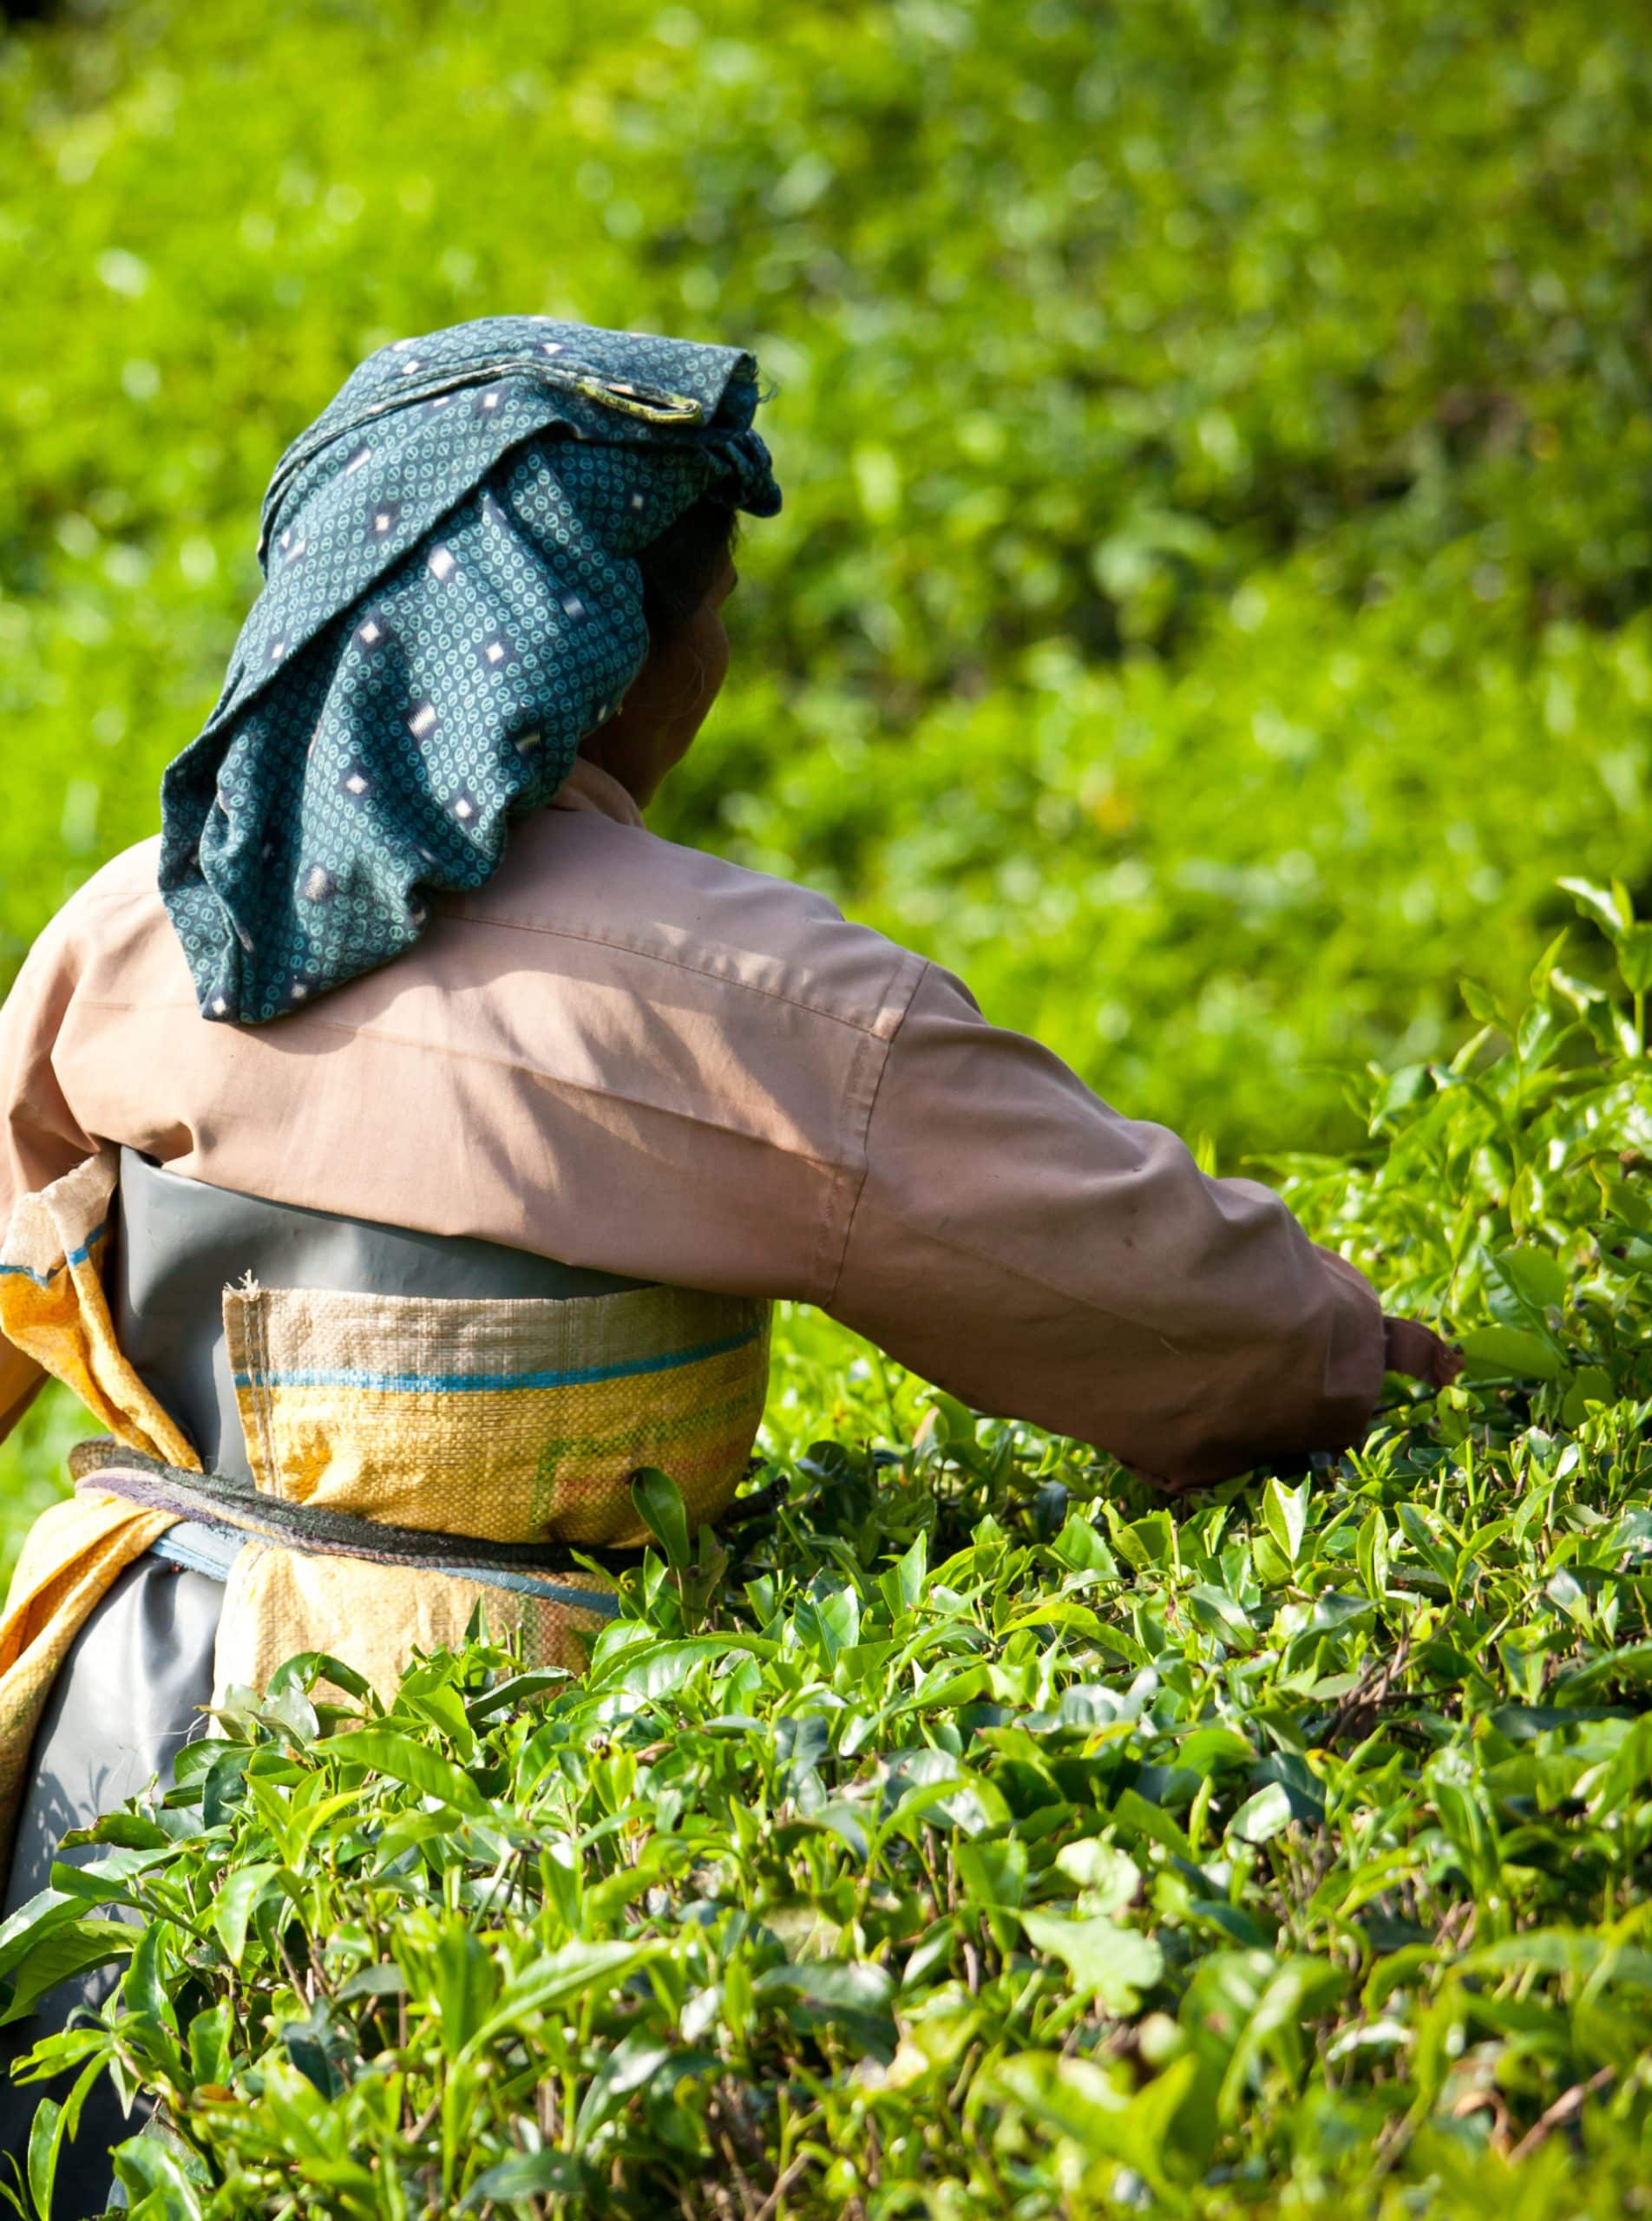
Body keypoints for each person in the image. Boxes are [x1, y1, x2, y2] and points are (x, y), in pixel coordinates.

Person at [0, 317, 1459, 2193]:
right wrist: (1431, 1382)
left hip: (90, 1752)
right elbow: (1198, 1318)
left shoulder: (134, 917)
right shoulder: (752, 1000)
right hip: (469, 1822)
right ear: (641, 647)